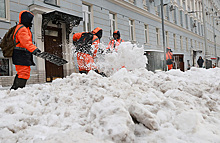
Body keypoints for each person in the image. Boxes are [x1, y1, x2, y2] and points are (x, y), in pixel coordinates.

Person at [11, 10, 41, 90]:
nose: (30, 21)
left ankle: (15, 90)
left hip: (23, 54)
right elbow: (26, 42)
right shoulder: (22, 29)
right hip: (20, 54)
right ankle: (17, 90)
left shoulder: (25, 28)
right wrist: (35, 50)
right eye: (29, 19)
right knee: (23, 73)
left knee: (23, 72)